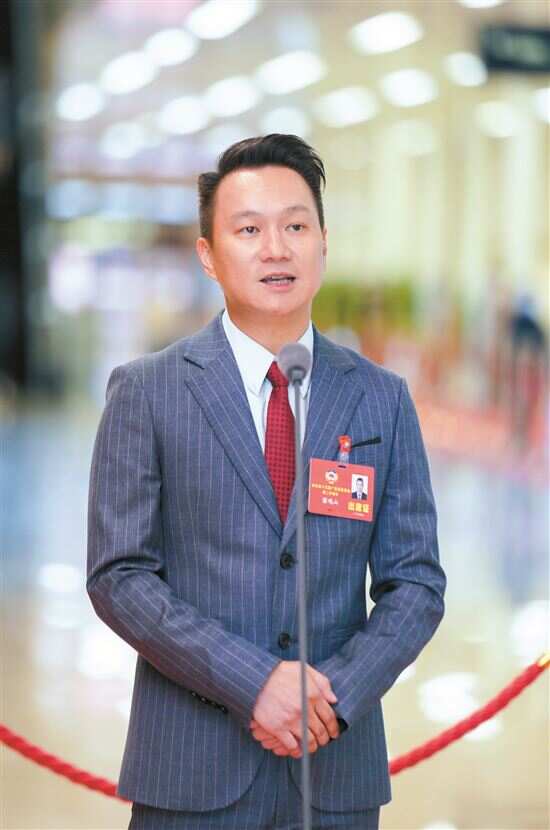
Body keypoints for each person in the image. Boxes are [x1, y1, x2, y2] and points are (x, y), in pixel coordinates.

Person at [86, 133, 446, 829]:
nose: (276, 249)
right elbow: (119, 575)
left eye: (295, 227)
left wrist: (330, 698)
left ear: (323, 244)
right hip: (191, 774)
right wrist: (254, 682)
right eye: (249, 230)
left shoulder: (381, 399)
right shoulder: (149, 392)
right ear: (208, 255)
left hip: (334, 775)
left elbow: (417, 583)